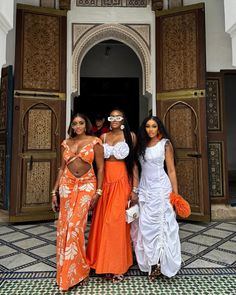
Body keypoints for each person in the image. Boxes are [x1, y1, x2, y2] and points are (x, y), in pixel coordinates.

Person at [51, 113, 104, 291]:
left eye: (81, 123)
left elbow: (101, 168)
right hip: (67, 184)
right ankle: (67, 271)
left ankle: (79, 270)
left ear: (86, 124)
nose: (78, 126)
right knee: (64, 227)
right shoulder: (66, 143)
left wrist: (98, 191)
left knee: (75, 227)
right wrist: (54, 191)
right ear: (72, 126)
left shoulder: (95, 142)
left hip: (87, 184)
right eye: (75, 123)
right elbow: (62, 168)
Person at [86, 108, 139, 282]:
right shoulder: (103, 137)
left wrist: (134, 189)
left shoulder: (130, 136)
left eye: (118, 117)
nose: (114, 119)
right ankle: (102, 263)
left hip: (122, 182)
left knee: (115, 223)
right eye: (112, 116)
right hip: (105, 183)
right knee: (102, 222)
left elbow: (133, 164)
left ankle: (117, 265)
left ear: (123, 120)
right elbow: (97, 165)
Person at [132, 115, 181, 281]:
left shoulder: (165, 144)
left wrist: (175, 195)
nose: (150, 129)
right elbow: (136, 169)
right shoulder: (141, 145)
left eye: (154, 126)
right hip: (145, 189)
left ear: (159, 127)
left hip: (161, 189)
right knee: (145, 225)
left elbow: (171, 170)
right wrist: (136, 190)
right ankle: (150, 261)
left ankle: (160, 264)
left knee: (162, 226)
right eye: (148, 126)